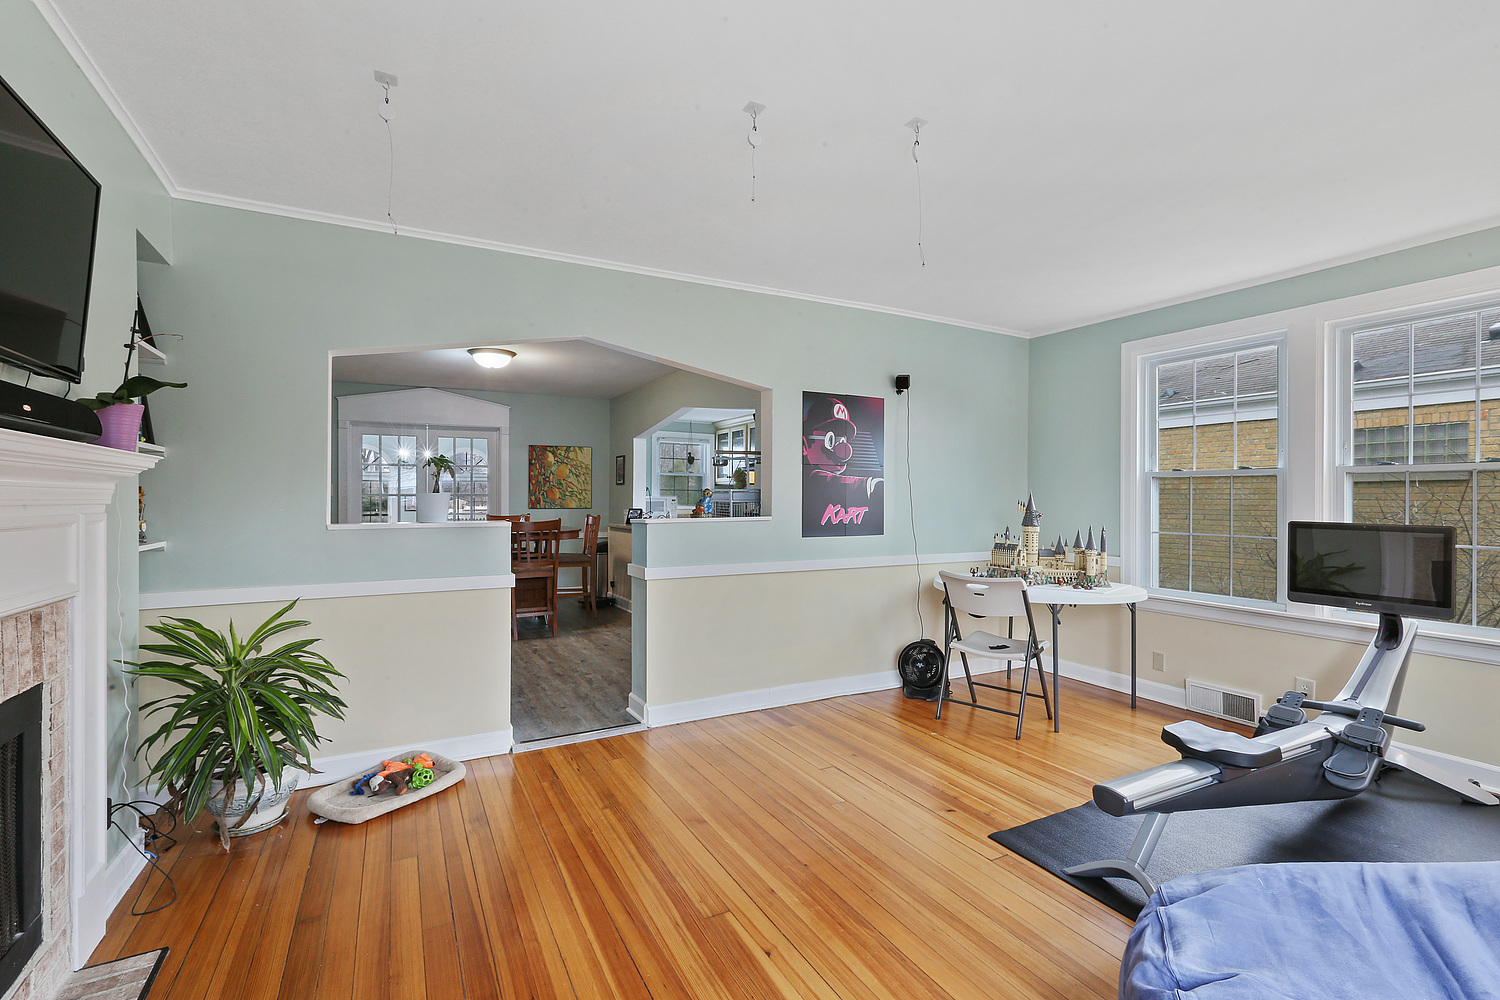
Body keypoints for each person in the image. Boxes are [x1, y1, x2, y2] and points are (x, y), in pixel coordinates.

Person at [802, 395, 883, 535]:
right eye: (831, 440)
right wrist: (873, 485)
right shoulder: (809, 477)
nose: (843, 450)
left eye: (843, 440)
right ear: (805, 444)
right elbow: (826, 481)